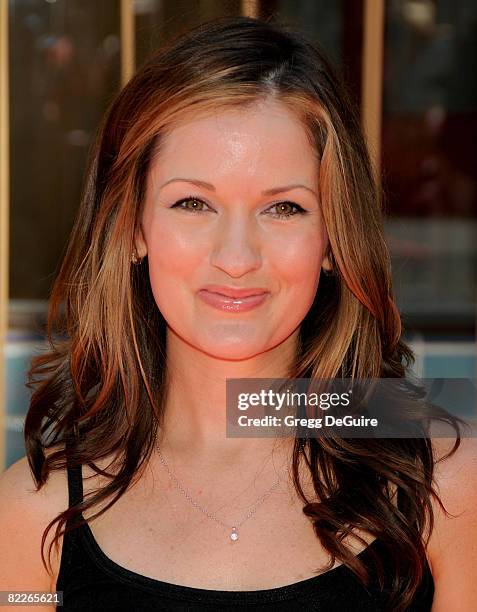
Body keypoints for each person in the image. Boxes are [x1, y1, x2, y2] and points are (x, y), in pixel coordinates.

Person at [1, 14, 476, 612]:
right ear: (133, 227)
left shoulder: (448, 486)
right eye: (193, 202)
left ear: (333, 238)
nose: (236, 257)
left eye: (283, 208)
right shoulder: (33, 517)